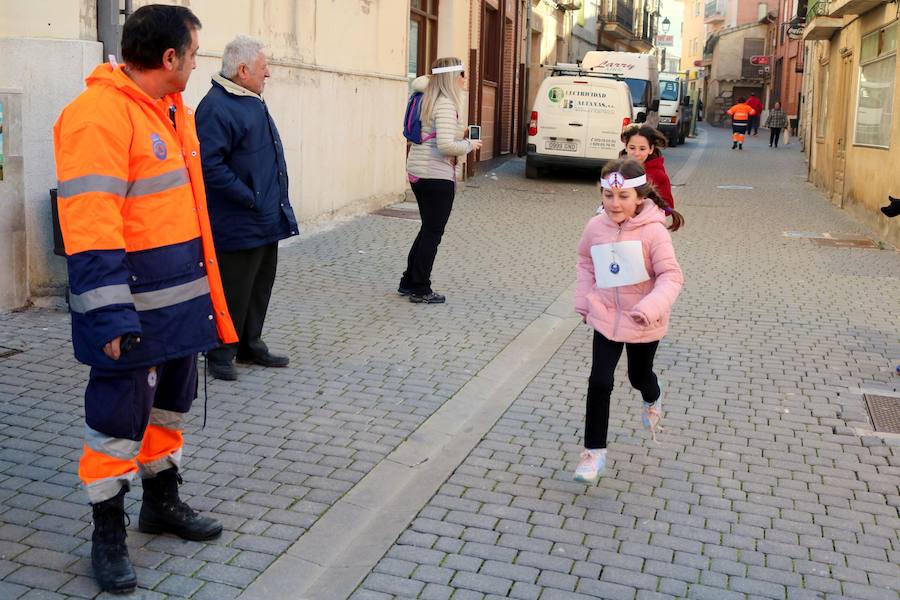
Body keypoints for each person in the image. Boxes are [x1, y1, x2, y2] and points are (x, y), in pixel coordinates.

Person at [53, 5, 237, 593]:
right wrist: (109, 314)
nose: (197, 62)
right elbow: (90, 224)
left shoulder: (172, 109)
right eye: (194, 52)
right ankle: (107, 531)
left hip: (178, 304)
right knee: (116, 423)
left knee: (168, 411)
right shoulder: (98, 116)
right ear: (169, 56)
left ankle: (161, 500)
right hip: (131, 311)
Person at [573, 159, 684, 484]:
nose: (614, 204)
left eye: (623, 196)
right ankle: (593, 453)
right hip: (606, 315)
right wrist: (584, 299)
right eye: (608, 195)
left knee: (639, 376)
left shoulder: (653, 231)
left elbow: (671, 276)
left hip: (643, 319)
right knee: (600, 382)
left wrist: (650, 307)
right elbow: (585, 262)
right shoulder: (595, 226)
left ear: (639, 196)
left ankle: (653, 396)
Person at [196, 35, 299, 380]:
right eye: (263, 67)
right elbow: (209, 165)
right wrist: (249, 196)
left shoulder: (249, 100)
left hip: (264, 216)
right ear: (242, 70)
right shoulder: (216, 107)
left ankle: (249, 344)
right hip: (238, 220)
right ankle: (220, 352)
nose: (267, 73)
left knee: (259, 285)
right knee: (233, 289)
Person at [401, 57, 482, 304]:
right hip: (436, 175)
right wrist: (470, 144)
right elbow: (446, 146)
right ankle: (420, 288)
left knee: (427, 228)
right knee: (433, 232)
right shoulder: (445, 103)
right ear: (452, 76)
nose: (465, 78)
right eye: (462, 73)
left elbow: (434, 132)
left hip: (418, 172)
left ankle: (408, 281)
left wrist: (461, 132)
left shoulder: (426, 97)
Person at [622, 126, 674, 211]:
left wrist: (644, 211)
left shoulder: (658, 175)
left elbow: (668, 207)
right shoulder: (618, 170)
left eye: (642, 149)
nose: (636, 153)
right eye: (632, 148)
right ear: (626, 146)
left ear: (651, 149)